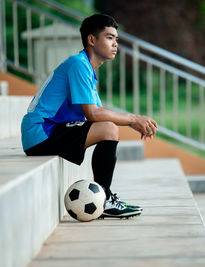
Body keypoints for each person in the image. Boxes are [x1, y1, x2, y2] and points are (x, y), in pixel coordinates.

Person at [21, 14, 158, 219]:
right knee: (109, 129)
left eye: (116, 39)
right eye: (109, 37)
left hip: (46, 131)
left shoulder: (86, 68)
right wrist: (132, 118)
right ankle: (105, 200)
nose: (115, 44)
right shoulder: (78, 64)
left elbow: (98, 115)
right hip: (41, 132)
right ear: (92, 40)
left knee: (108, 127)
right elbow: (93, 114)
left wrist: (133, 123)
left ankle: (104, 197)